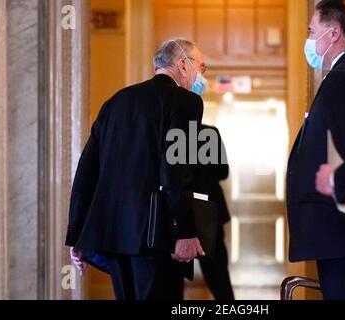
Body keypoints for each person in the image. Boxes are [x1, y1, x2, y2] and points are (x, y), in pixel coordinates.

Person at [66, 38, 209, 300]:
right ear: (183, 65)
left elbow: (87, 168)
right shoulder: (186, 102)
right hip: (157, 237)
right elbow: (178, 170)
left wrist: (78, 233)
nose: (202, 76)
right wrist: (185, 232)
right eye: (202, 67)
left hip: (116, 235)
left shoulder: (116, 101)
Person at [286, 0, 345, 300]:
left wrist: (336, 180)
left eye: (312, 31)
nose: (309, 40)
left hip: (339, 229)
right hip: (337, 229)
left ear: (333, 33)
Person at [191, 124, 235, 300]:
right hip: (208, 208)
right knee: (217, 272)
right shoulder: (208, 133)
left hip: (174, 207)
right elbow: (223, 172)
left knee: (171, 273)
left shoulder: (166, 132)